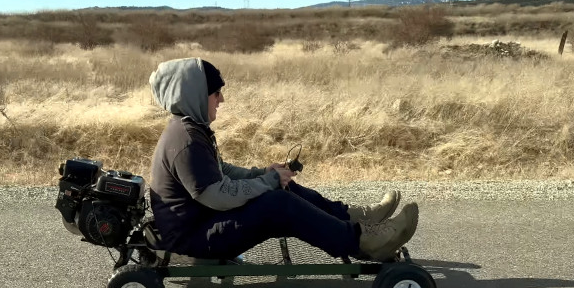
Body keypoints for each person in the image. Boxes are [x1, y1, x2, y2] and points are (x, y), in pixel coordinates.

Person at [147, 58, 418, 262]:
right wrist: (268, 182)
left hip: (203, 224)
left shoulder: (189, 128)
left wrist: (264, 174)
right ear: (195, 95)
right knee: (278, 203)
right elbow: (219, 195)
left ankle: (356, 218)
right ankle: (363, 241)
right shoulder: (187, 140)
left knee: (280, 187)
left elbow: (221, 172)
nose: (222, 99)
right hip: (195, 240)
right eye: (216, 93)